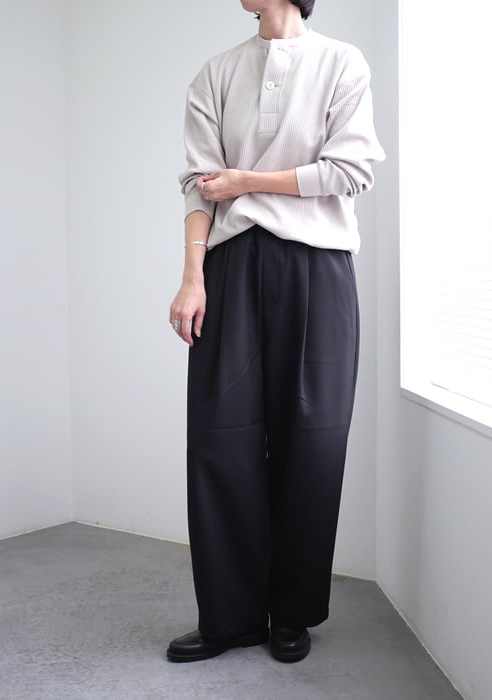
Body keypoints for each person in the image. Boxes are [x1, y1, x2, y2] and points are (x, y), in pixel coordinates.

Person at [166, 0, 384, 664]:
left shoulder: (341, 62)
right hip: (229, 265)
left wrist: (247, 181)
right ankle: (230, 616)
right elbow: (199, 188)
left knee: (312, 439)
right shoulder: (216, 73)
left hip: (318, 268)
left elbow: (352, 171)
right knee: (219, 436)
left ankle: (292, 613)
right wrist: (193, 278)